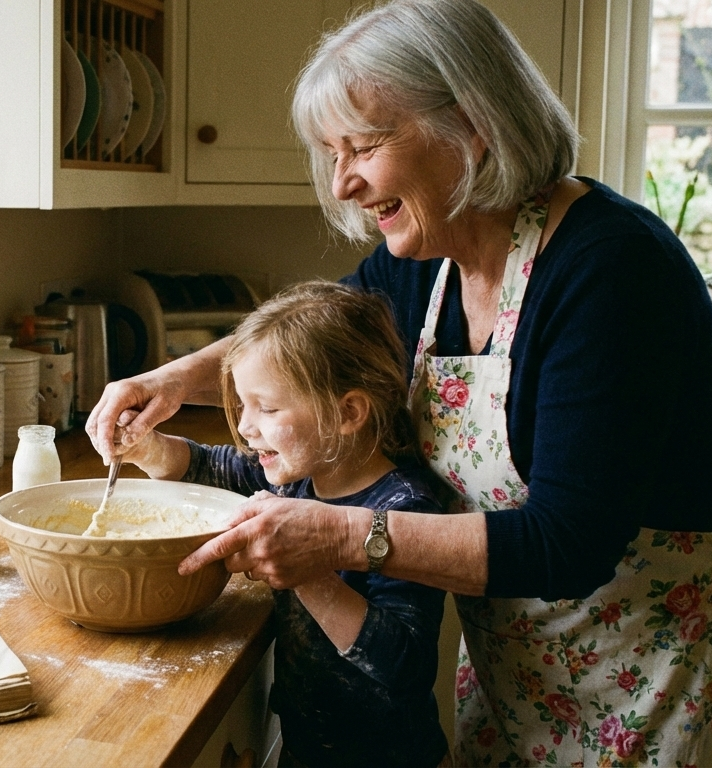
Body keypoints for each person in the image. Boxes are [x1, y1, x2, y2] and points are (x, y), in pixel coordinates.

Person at [86, 0, 712, 764]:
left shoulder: (610, 271)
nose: (343, 183)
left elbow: (569, 543)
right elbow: (303, 355)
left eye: (363, 146)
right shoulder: (430, 262)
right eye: (332, 153)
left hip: (650, 688)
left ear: (472, 124)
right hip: (516, 679)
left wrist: (339, 536)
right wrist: (171, 380)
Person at [119, 280, 449, 766]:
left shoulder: (404, 509)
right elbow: (206, 467)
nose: (245, 426)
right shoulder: (298, 476)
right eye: (243, 403)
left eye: (268, 408)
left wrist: (308, 573)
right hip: (304, 749)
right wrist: (144, 446)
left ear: (348, 412)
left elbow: (407, 668)